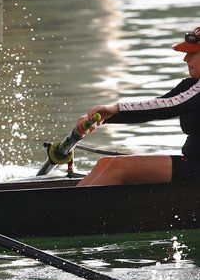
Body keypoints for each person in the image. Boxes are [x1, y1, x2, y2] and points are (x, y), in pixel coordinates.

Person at [77, 26, 200, 186]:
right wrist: (100, 118)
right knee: (104, 163)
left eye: (193, 53)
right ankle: (66, 208)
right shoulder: (191, 85)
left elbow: (172, 106)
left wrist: (116, 108)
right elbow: (154, 109)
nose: (185, 59)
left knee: (118, 167)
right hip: (193, 163)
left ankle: (73, 209)